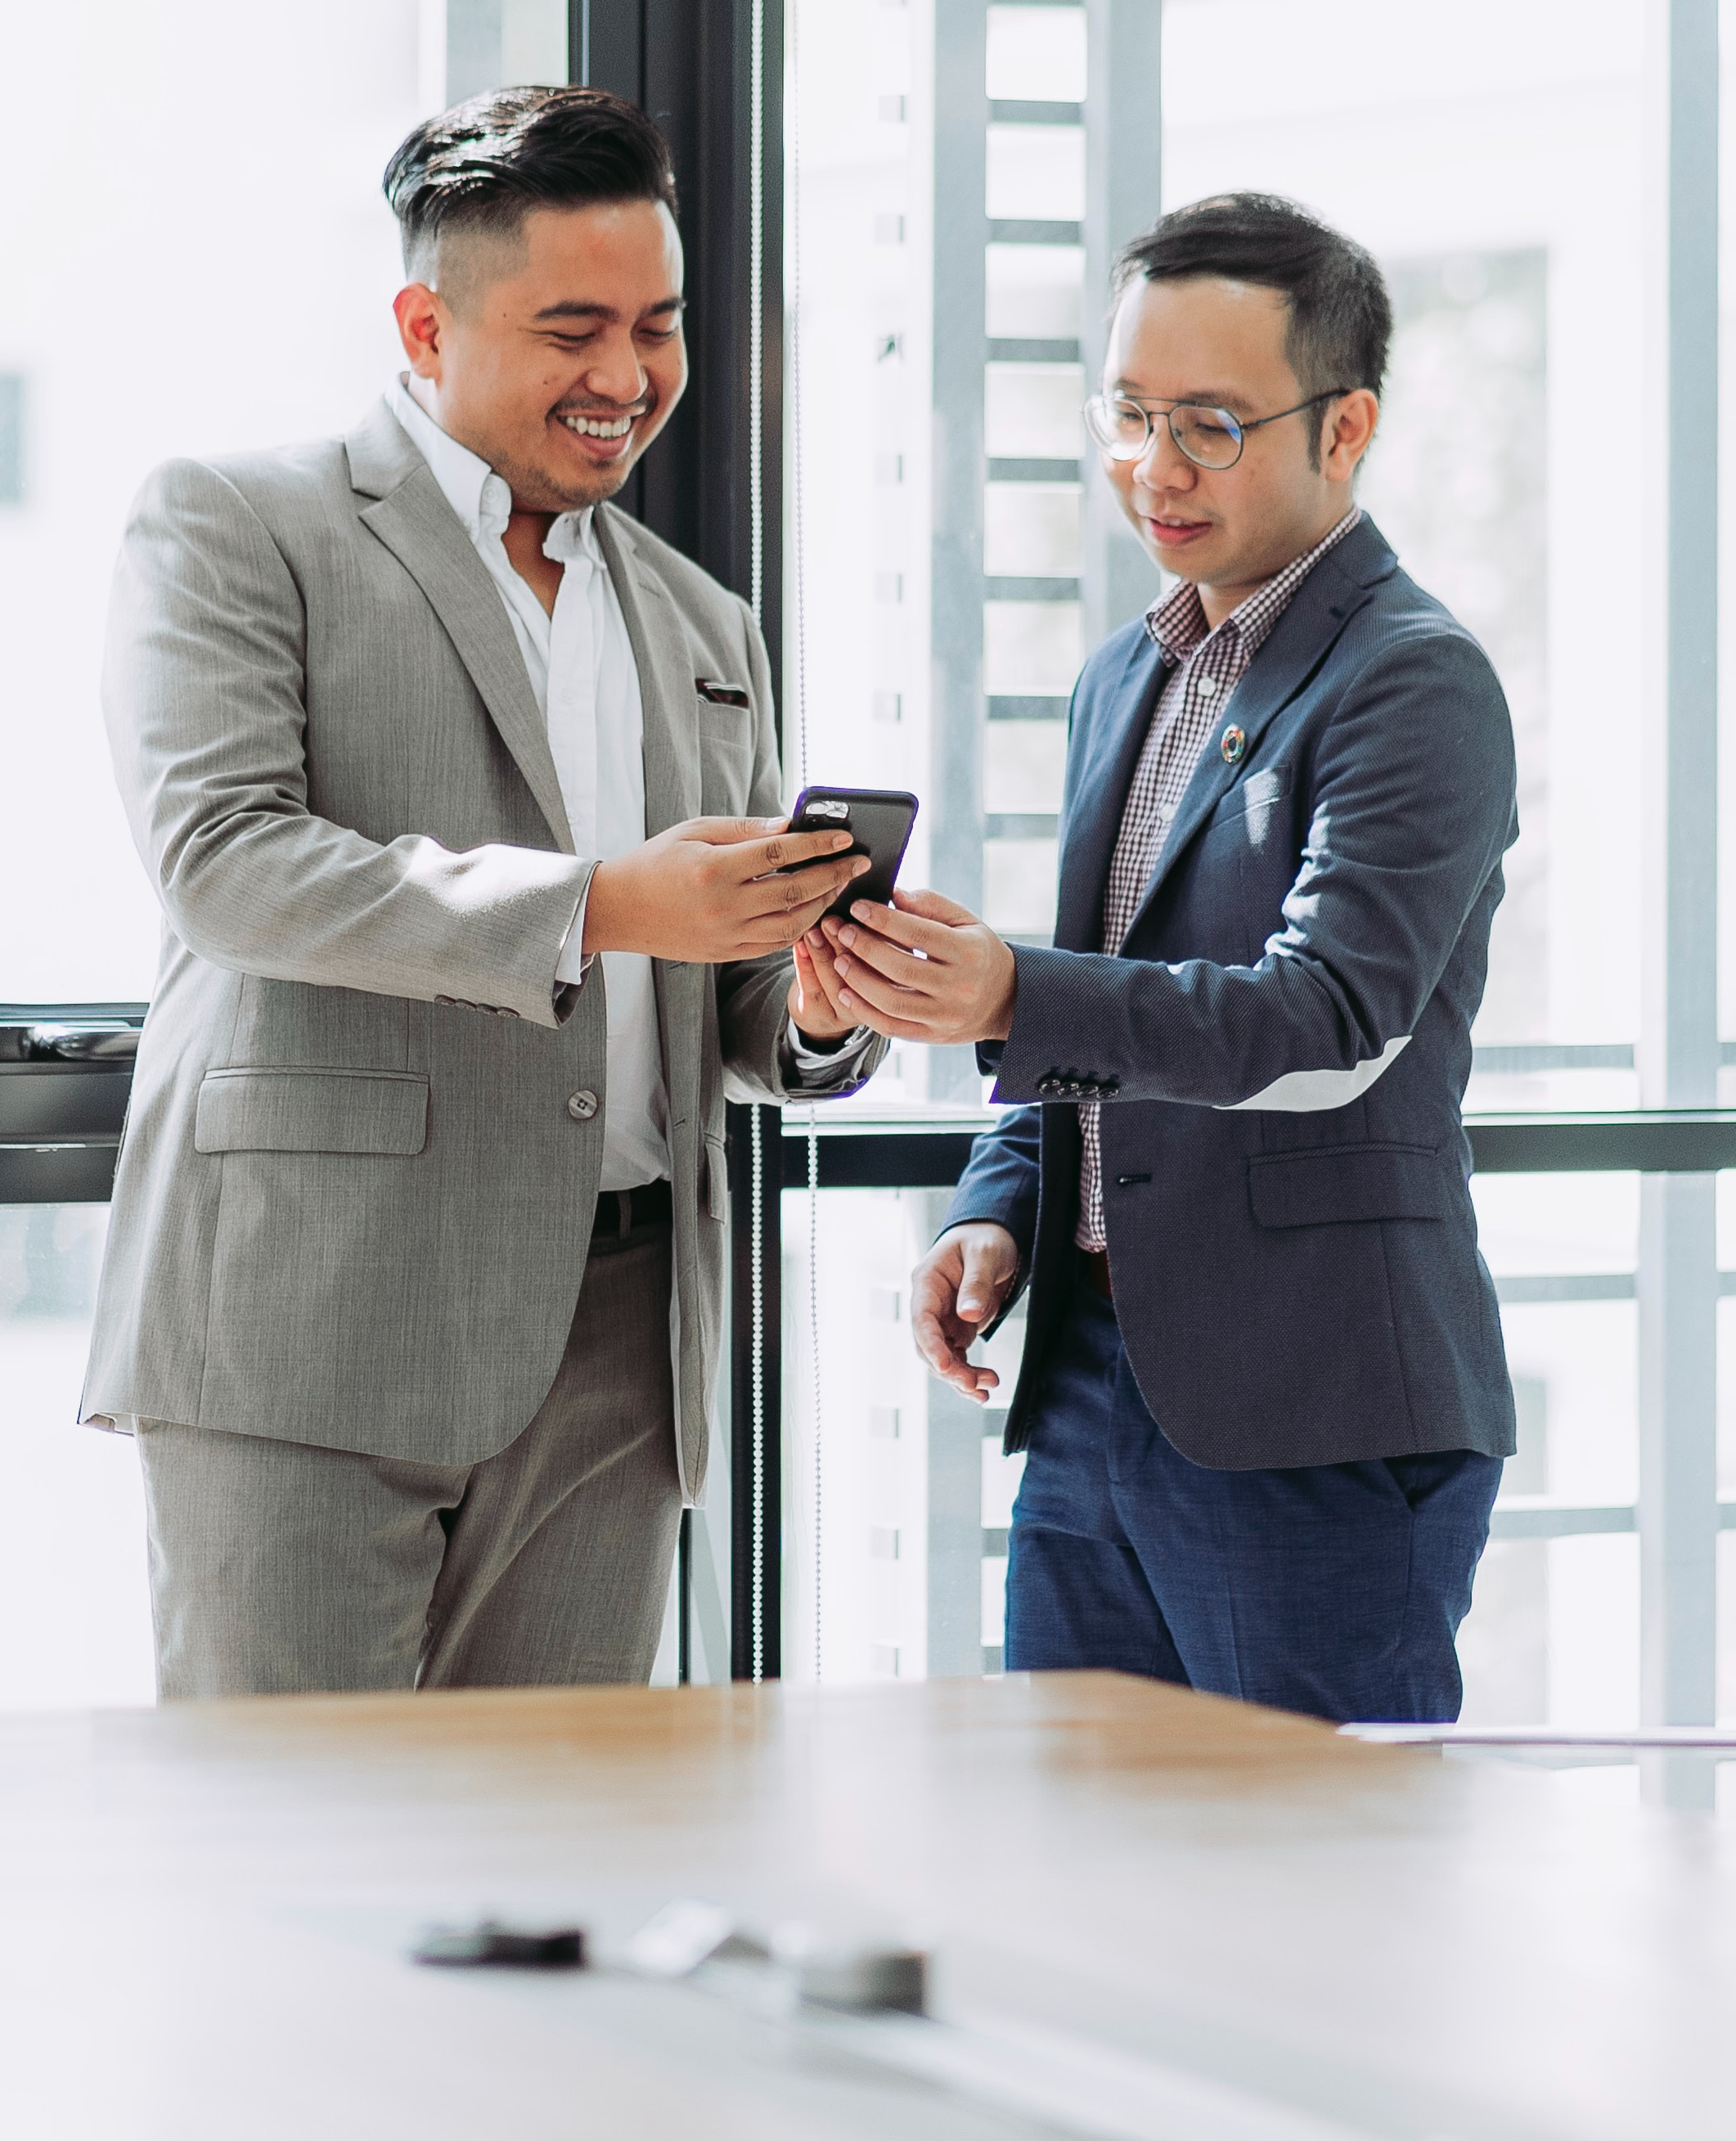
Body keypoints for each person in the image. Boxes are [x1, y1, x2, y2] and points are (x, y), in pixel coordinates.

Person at [79, 87, 884, 1698]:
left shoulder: (703, 623)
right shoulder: (240, 528)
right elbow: (226, 868)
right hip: (312, 1314)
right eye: (570, 327)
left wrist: (804, 1000)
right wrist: (595, 904)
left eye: (655, 326)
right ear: (423, 325)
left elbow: (706, 997)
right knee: (297, 1859)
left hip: (623, 1349)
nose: (627, 377)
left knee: (555, 1876)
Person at [808, 193, 1518, 1724]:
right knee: (1087, 1890)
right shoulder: (1128, 674)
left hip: (1309, 1410)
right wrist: (1002, 1207)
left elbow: (1326, 1020)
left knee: (1316, 1911)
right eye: (1127, 414)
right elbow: (1105, 1001)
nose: (1152, 469)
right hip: (1088, 1390)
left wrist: (1005, 990)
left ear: (1347, 430)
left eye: (1208, 423)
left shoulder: (1414, 681)